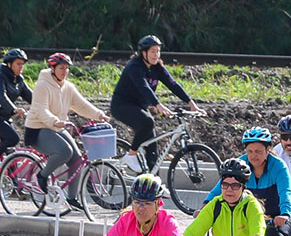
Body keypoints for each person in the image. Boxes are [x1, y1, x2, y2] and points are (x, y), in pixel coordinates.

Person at [204, 127, 291, 236]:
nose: (254, 155)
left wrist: (284, 213)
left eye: (259, 151)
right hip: (253, 219)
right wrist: (205, 205)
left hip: (279, 217)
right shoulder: (241, 164)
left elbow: (286, 194)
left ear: (268, 150)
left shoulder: (279, 167)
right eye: (250, 151)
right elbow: (220, 188)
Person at [24, 53, 111, 209]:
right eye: (61, 68)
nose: (64, 71)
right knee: (65, 151)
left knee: (77, 159)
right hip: (38, 128)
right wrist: (55, 120)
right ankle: (42, 176)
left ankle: (71, 198)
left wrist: (99, 115)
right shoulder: (42, 85)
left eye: (66, 68)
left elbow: (81, 105)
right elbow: (40, 109)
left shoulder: (68, 87)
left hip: (57, 127)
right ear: (52, 68)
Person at [111, 35, 202, 173]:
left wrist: (191, 103)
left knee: (152, 147)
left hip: (139, 107)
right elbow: (144, 87)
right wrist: (158, 105)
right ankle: (131, 154)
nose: (156, 55)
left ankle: (154, 185)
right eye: (153, 51)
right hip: (122, 106)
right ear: (144, 53)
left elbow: (173, 84)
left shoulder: (157, 67)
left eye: (158, 51)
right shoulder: (134, 67)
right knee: (148, 122)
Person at [0, 48, 32, 155]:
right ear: (9, 64)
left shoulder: (19, 80)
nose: (21, 67)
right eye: (18, 64)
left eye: (22, 64)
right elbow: (2, 96)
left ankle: (9, 171)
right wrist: (14, 109)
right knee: (13, 139)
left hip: (4, 117)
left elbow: (32, 97)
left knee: (10, 152)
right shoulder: (1, 76)